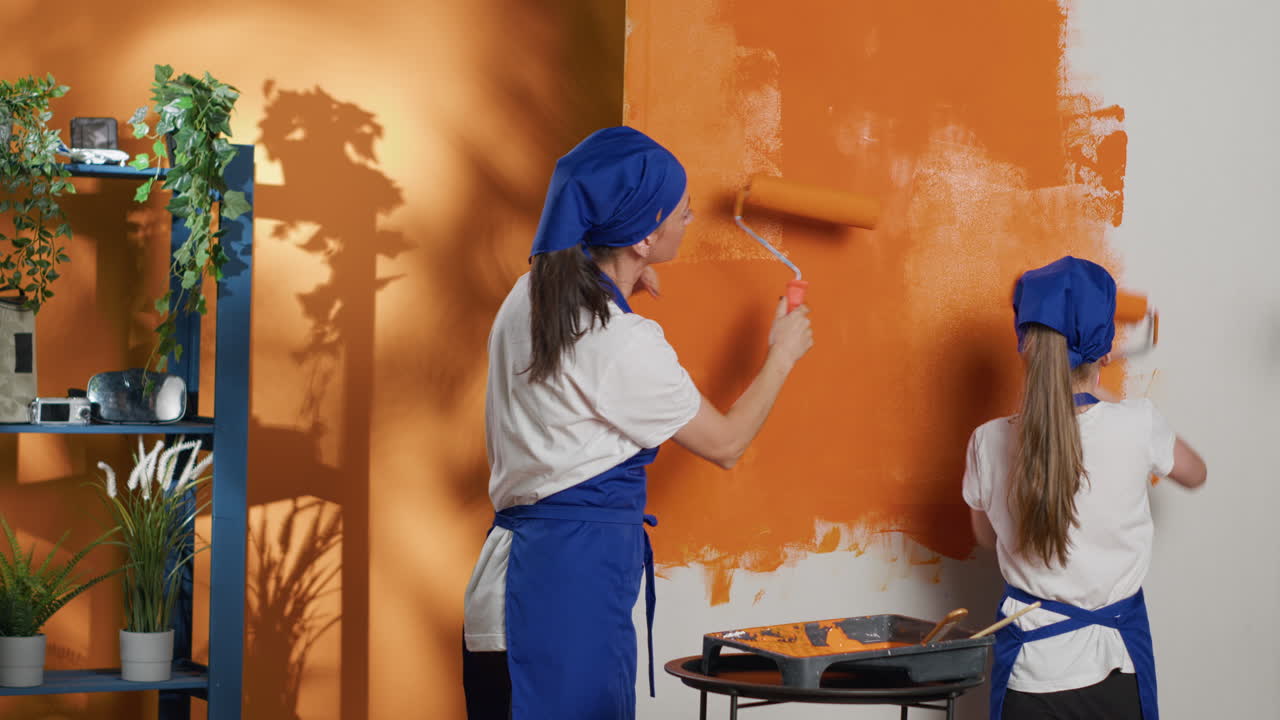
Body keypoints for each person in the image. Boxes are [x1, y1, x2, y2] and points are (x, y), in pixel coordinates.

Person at [461, 126, 814, 720]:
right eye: (682, 211)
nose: (690, 218)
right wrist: (781, 354)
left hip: (509, 594)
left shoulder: (531, 295)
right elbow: (726, 443)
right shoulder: (619, 340)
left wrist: (621, 281)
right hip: (561, 608)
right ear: (644, 237)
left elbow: (584, 338)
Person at [963, 256, 1207, 720]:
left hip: (1030, 678)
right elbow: (1196, 473)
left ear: (1024, 346)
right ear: (1103, 346)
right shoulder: (1138, 424)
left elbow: (985, 537)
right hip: (1117, 671)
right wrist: (1101, 394)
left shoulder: (987, 440)